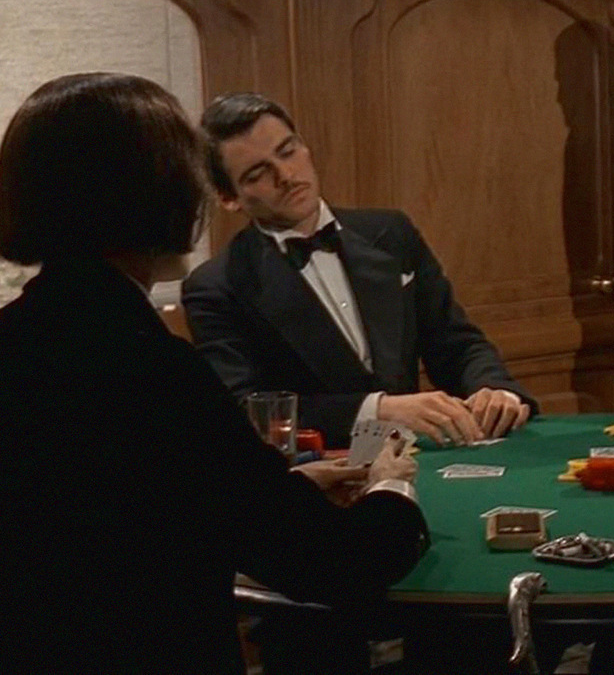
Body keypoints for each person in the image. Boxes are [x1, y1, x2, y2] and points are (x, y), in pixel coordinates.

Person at [0, 73, 430, 674]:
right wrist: (390, 486)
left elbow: (138, 510)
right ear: (154, 193)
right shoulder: (156, 369)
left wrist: (288, 487)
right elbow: (333, 563)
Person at [182, 93, 537, 449]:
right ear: (229, 198)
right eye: (259, 174)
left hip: (414, 459)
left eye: (288, 151)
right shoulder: (217, 286)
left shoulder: (391, 233)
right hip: (320, 468)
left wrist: (493, 390)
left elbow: (455, 344)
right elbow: (245, 411)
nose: (286, 176)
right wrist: (376, 411)